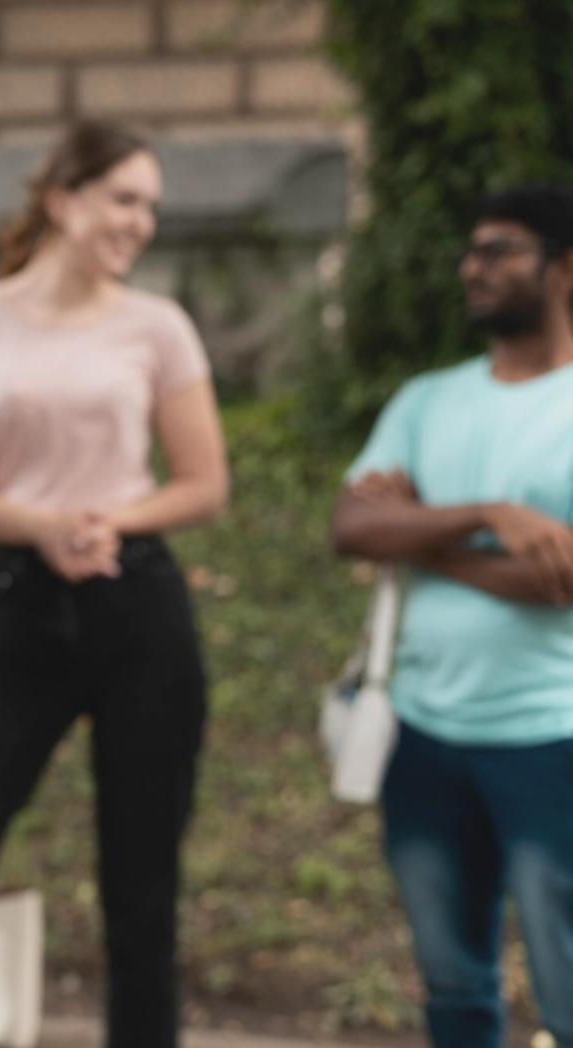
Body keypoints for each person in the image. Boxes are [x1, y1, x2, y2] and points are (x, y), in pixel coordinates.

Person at [0, 121, 229, 1048]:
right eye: (123, 198)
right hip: (24, 605)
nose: (140, 222)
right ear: (64, 200)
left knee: (140, 898)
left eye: (150, 204)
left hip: (136, 603)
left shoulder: (157, 326)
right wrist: (40, 528)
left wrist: (108, 522)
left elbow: (203, 483)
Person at [330, 184, 573, 1048]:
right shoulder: (426, 400)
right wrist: (494, 517)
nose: (473, 266)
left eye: (500, 250)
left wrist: (422, 532)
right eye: (471, 250)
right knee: (452, 984)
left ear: (563, 269)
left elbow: (566, 580)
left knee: (566, 989)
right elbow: (351, 525)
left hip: (552, 739)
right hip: (423, 737)